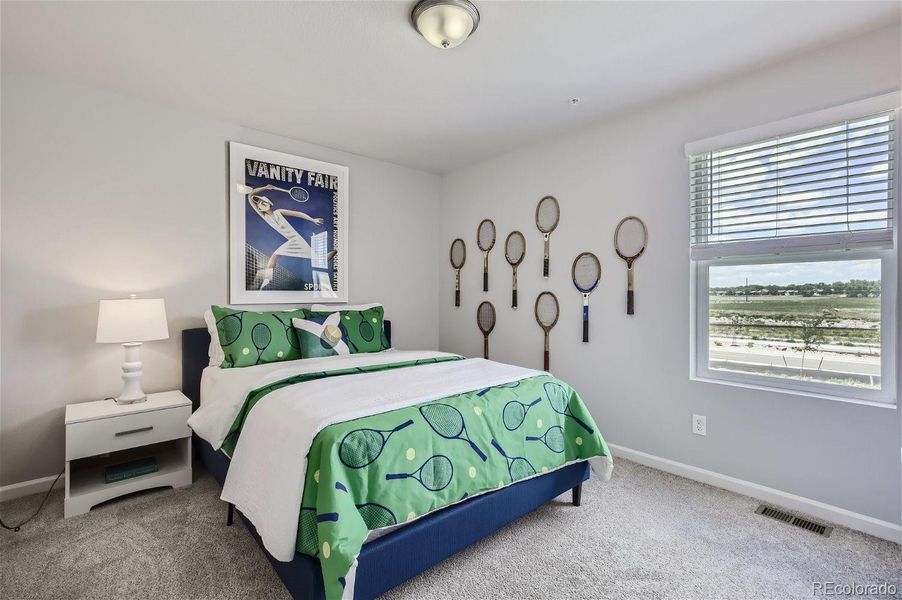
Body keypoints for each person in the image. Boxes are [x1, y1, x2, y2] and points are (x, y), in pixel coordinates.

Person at [244, 184, 337, 290]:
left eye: (264, 201)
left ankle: (337, 250)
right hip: (291, 241)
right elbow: (250, 195)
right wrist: (265, 187)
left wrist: (312, 219)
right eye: (260, 203)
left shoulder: (278, 212)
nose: (262, 204)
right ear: (259, 208)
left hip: (297, 240)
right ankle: (266, 281)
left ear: (269, 204)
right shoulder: (264, 216)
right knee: (274, 256)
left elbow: (297, 214)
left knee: (321, 260)